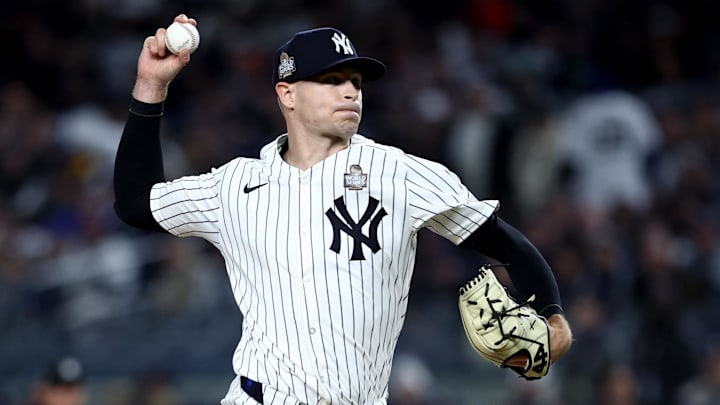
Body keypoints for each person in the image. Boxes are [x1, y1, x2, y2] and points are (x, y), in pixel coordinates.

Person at [113, 14, 573, 405]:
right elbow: (136, 203)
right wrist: (150, 86)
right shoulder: (235, 185)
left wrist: (552, 317)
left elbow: (504, 242)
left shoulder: (400, 174)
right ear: (287, 94)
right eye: (331, 80)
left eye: (354, 81)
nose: (350, 91)